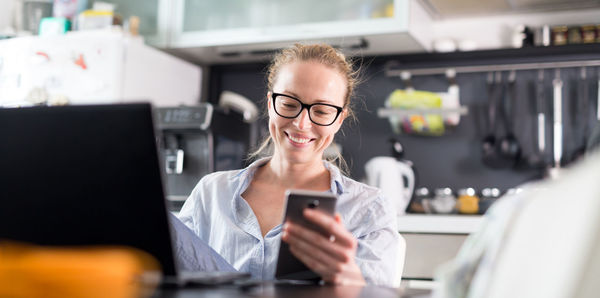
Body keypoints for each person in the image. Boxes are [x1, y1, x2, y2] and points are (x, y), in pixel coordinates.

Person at [176, 43, 401, 286]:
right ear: (271, 103)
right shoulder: (211, 192)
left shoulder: (368, 209)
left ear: (339, 120)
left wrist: (352, 282)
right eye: (289, 104)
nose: (301, 124)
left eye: (322, 111)